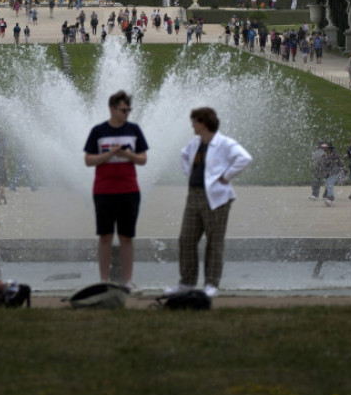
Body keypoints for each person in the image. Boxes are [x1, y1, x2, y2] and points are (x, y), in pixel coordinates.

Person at [164, 107, 251, 299]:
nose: (192, 125)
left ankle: (211, 284)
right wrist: (191, 174)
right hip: (194, 195)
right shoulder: (196, 143)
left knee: (214, 242)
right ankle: (186, 282)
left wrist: (226, 176)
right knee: (186, 239)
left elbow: (244, 158)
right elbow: (184, 155)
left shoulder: (224, 143)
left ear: (203, 123)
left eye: (194, 122)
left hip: (217, 198)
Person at [83, 90, 149, 291]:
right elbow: (88, 160)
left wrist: (128, 155)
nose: (127, 113)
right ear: (112, 109)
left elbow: (143, 159)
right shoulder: (98, 131)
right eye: (123, 109)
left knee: (126, 237)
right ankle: (104, 281)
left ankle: (128, 281)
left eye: (129, 109)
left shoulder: (134, 130)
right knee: (105, 236)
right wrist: (110, 153)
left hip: (129, 190)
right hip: (103, 190)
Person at [310, 141, 342, 206]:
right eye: (324, 149)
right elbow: (323, 165)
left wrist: (336, 162)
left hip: (336, 173)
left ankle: (330, 199)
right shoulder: (324, 156)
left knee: (329, 183)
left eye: (326, 149)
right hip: (328, 173)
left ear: (330, 149)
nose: (324, 150)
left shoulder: (335, 155)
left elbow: (341, 164)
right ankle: (332, 201)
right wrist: (322, 172)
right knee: (328, 184)